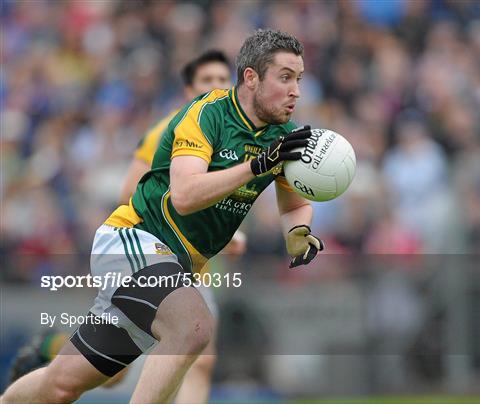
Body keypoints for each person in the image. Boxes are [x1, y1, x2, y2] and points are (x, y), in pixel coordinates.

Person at [1, 29, 324, 404]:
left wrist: (298, 232)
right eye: (285, 77)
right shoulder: (208, 114)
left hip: (172, 266)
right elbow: (185, 196)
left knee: (62, 385)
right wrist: (257, 166)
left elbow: (295, 203)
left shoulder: (284, 137)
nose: (296, 90)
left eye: (298, 79)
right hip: (134, 240)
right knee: (195, 326)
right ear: (251, 77)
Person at [7, 49, 245, 404]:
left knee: (154, 367)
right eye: (206, 81)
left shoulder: (240, 137)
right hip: (150, 256)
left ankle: (54, 347)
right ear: (188, 90)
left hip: (195, 268)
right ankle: (55, 346)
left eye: (222, 80)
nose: (216, 86)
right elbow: (130, 193)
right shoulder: (174, 127)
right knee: (185, 345)